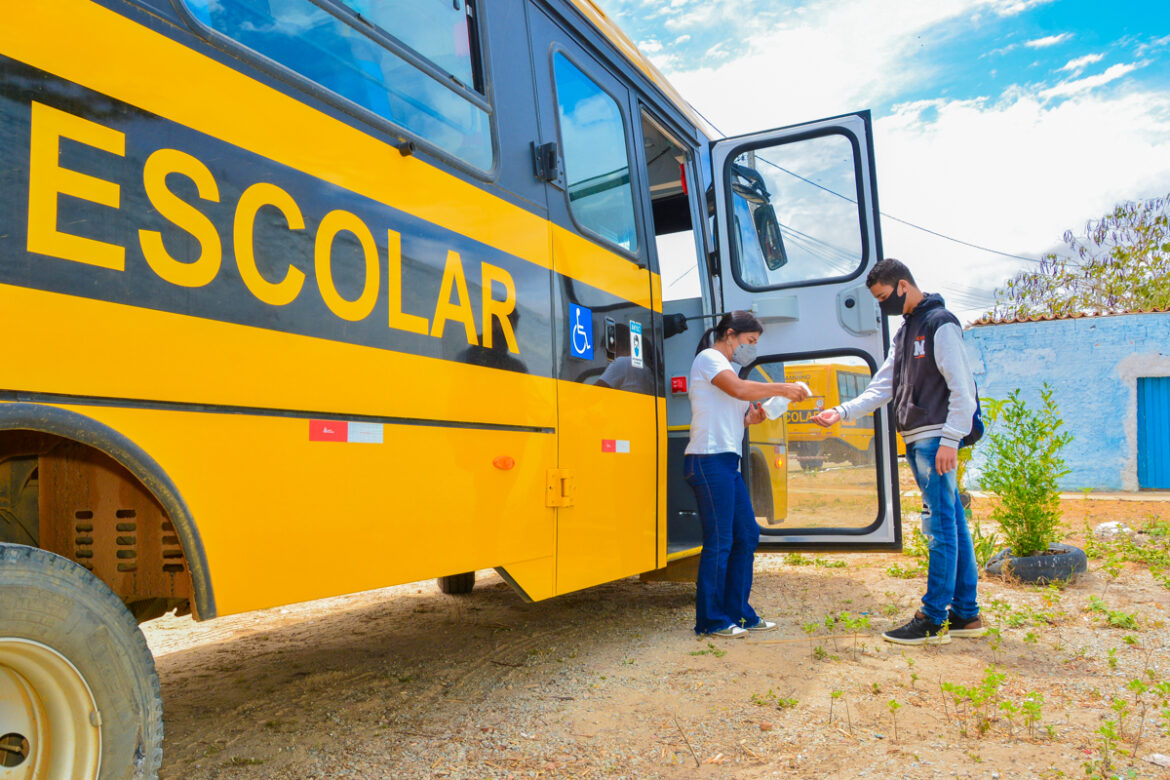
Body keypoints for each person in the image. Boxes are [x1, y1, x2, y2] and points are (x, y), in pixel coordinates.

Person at [812, 258, 983, 646]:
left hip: (935, 439)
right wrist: (840, 412)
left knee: (940, 529)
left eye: (884, 296)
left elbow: (963, 388)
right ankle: (966, 614)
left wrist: (951, 440)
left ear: (903, 285)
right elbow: (881, 387)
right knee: (952, 523)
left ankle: (933, 616)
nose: (882, 305)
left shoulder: (940, 323)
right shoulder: (905, 333)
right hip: (920, 439)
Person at [685, 310, 810, 638]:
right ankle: (711, 620)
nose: (751, 348)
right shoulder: (709, 358)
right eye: (750, 341)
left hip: (727, 461)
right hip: (708, 460)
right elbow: (738, 390)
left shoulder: (730, 368)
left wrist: (753, 419)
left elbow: (736, 412)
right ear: (730, 334)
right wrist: (783, 388)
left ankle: (738, 613)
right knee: (721, 541)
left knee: (747, 536)